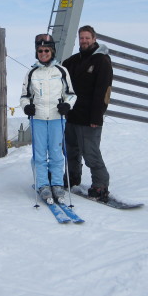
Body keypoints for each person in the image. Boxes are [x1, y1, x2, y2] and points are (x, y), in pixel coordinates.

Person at [20, 33, 76, 204]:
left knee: (56, 152)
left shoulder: (61, 71)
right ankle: (43, 185)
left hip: (56, 118)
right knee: (39, 153)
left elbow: (71, 94)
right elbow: (24, 96)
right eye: (40, 50)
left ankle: (57, 184)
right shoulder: (31, 73)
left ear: (52, 51)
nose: (43, 53)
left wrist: (67, 105)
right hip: (37, 118)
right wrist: (26, 106)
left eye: (46, 50)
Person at [62, 25, 113, 202]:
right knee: (71, 151)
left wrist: (96, 117)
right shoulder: (73, 61)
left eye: (87, 38)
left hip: (89, 118)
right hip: (72, 116)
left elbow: (103, 92)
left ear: (94, 38)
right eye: (81, 38)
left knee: (90, 153)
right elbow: (60, 75)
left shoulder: (102, 61)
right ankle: (72, 178)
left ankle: (100, 185)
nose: (84, 41)